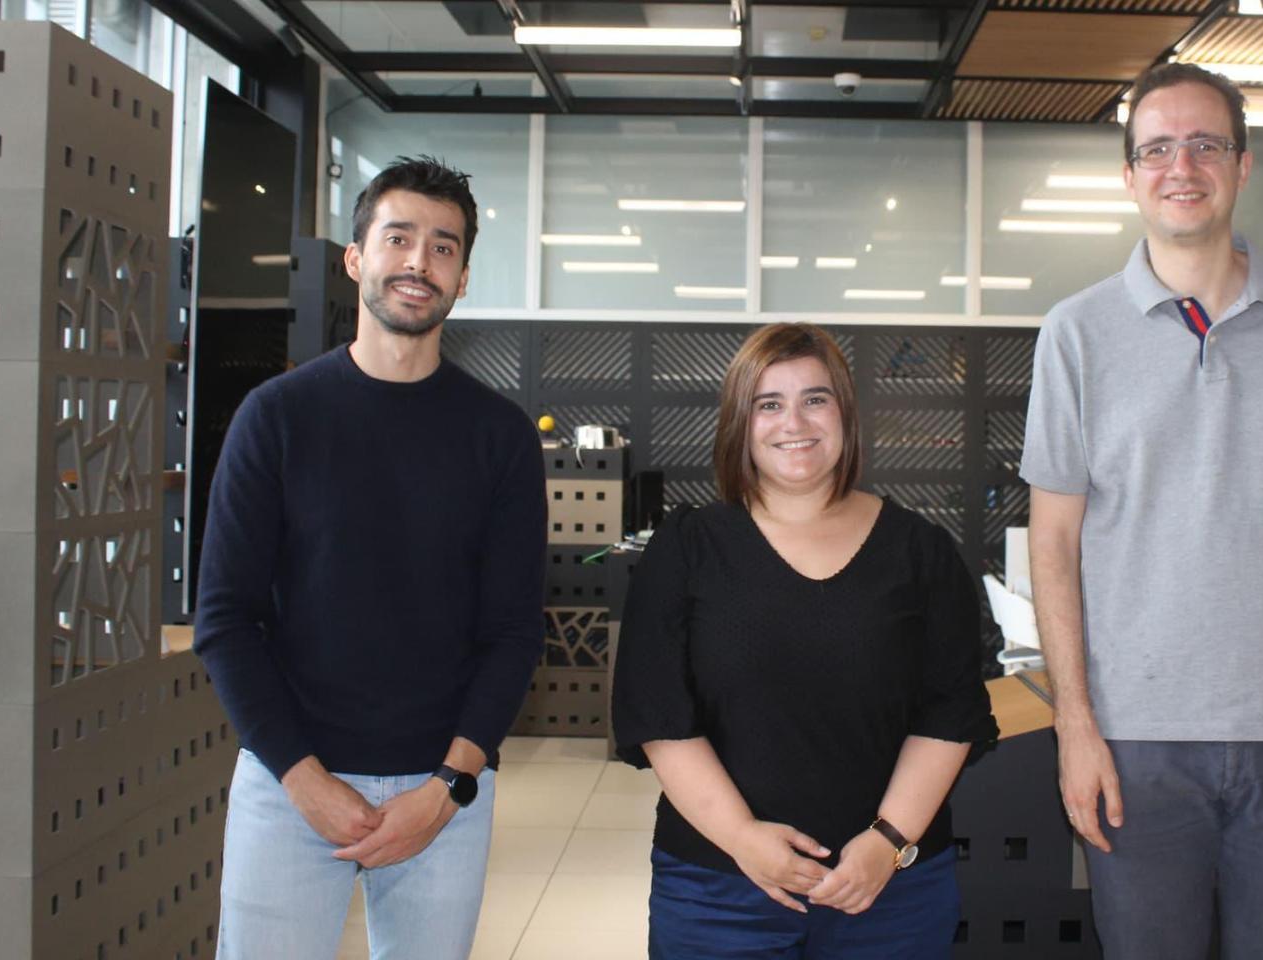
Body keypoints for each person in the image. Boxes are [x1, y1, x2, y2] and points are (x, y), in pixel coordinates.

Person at [1020, 64, 1263, 959]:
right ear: (1129, 175)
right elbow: (1054, 539)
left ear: (1243, 164)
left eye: (1206, 144)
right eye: (1157, 148)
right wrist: (1074, 722)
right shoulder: (1076, 333)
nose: (1182, 166)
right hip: (1136, 739)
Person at [194, 156, 546, 959]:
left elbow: (514, 631)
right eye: (399, 238)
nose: (420, 261)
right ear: (356, 258)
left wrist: (450, 784)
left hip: (443, 792)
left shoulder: (499, 436)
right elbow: (225, 619)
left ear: (462, 279)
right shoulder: (276, 418)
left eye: (444, 247)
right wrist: (303, 780)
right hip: (289, 783)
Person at [613, 322, 997, 958]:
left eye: (815, 398)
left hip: (890, 891)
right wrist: (742, 837)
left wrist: (887, 841)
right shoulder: (687, 548)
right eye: (769, 404)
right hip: (718, 889)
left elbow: (949, 714)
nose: (794, 422)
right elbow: (659, 715)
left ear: (845, 413)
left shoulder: (921, 551)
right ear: (741, 423)